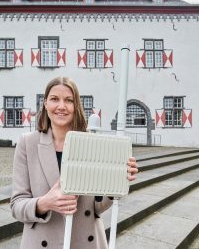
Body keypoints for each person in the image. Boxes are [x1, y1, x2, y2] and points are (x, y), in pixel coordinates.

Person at [11, 77, 138, 249]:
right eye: (55, 99)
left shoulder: (92, 142)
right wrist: (44, 203)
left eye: (68, 100)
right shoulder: (28, 143)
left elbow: (97, 207)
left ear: (76, 106)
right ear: (45, 103)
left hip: (85, 240)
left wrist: (116, 179)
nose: (61, 106)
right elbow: (17, 205)